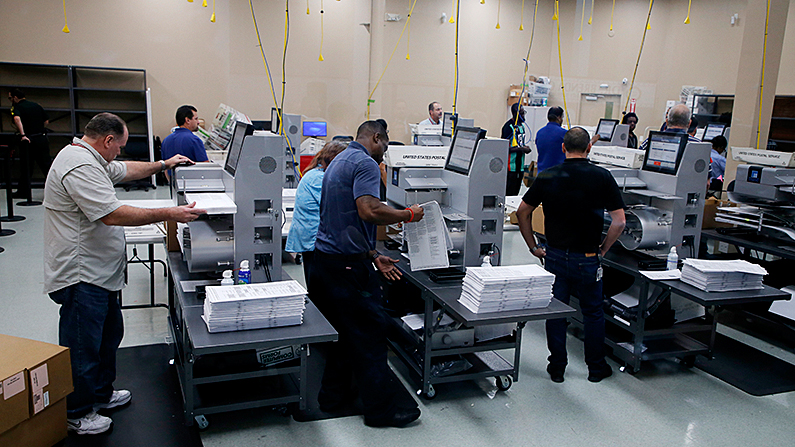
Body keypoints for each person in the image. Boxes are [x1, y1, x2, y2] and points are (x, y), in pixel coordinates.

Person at [44, 113, 206, 435]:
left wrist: (164, 164)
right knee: (83, 348)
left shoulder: (92, 158)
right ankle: (77, 412)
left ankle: (101, 395)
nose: (119, 152)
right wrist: (170, 213)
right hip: (82, 275)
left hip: (100, 273)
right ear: (107, 140)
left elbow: (125, 169)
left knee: (108, 337)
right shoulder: (78, 165)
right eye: (119, 146)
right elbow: (112, 214)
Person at [309, 120, 424, 428]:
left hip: (328, 260)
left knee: (347, 335)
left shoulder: (340, 159)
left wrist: (374, 255)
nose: (384, 154)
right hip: (347, 267)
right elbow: (369, 210)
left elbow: (343, 218)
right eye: (384, 146)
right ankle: (381, 412)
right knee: (370, 336)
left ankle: (332, 398)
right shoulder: (366, 163)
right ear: (376, 137)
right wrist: (407, 215)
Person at [516, 127, 626, 384]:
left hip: (554, 256)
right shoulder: (603, 177)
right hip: (587, 257)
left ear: (563, 149)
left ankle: (557, 368)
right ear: (589, 148)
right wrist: (603, 249)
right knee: (593, 313)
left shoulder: (548, 175)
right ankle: (596, 369)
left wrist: (533, 247)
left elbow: (522, 212)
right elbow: (619, 222)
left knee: (556, 312)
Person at [285, 140, 348, 285]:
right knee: (320, 288)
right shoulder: (319, 179)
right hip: (315, 241)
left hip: (314, 240)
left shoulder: (317, 173)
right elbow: (339, 207)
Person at [8, 88, 51, 198]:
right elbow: (46, 121)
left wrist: (23, 134)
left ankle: (23, 191)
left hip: (28, 140)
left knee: (26, 167)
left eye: (10, 98)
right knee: (46, 166)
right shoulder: (36, 105)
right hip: (41, 138)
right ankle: (57, 190)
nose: (10, 100)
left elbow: (17, 119)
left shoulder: (17, 107)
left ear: (15, 98)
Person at [160, 105, 209, 180]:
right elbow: (205, 167)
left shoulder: (166, 141)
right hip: (193, 185)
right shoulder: (195, 140)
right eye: (196, 119)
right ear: (187, 120)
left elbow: (165, 168)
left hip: (175, 185)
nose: (198, 122)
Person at [501, 103, 532, 195]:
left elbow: (519, 144)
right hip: (511, 167)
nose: (524, 116)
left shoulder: (521, 127)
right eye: (522, 113)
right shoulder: (508, 127)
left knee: (516, 194)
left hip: (520, 166)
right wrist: (521, 149)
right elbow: (504, 148)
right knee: (509, 194)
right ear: (516, 114)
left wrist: (524, 148)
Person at [535, 106, 567, 173]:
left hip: (541, 174)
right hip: (558, 175)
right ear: (559, 118)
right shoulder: (564, 133)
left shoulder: (539, 133)